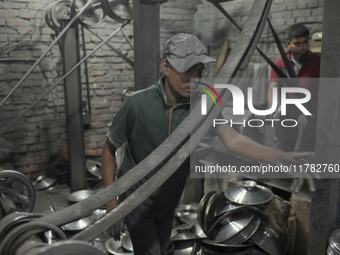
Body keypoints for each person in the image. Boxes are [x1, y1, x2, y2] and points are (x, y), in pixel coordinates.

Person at [102, 33, 312, 255]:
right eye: (186, 71)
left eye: (199, 72)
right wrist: (111, 202)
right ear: (165, 66)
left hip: (168, 201)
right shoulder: (137, 104)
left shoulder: (203, 102)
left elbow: (233, 139)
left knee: (162, 248)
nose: (194, 79)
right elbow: (109, 149)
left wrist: (278, 156)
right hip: (136, 203)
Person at [267, 23, 321, 151]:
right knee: (286, 146)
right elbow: (273, 88)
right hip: (289, 112)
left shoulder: (318, 62)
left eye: (305, 42)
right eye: (297, 44)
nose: (302, 47)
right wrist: (272, 109)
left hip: (313, 111)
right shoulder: (279, 64)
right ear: (288, 43)